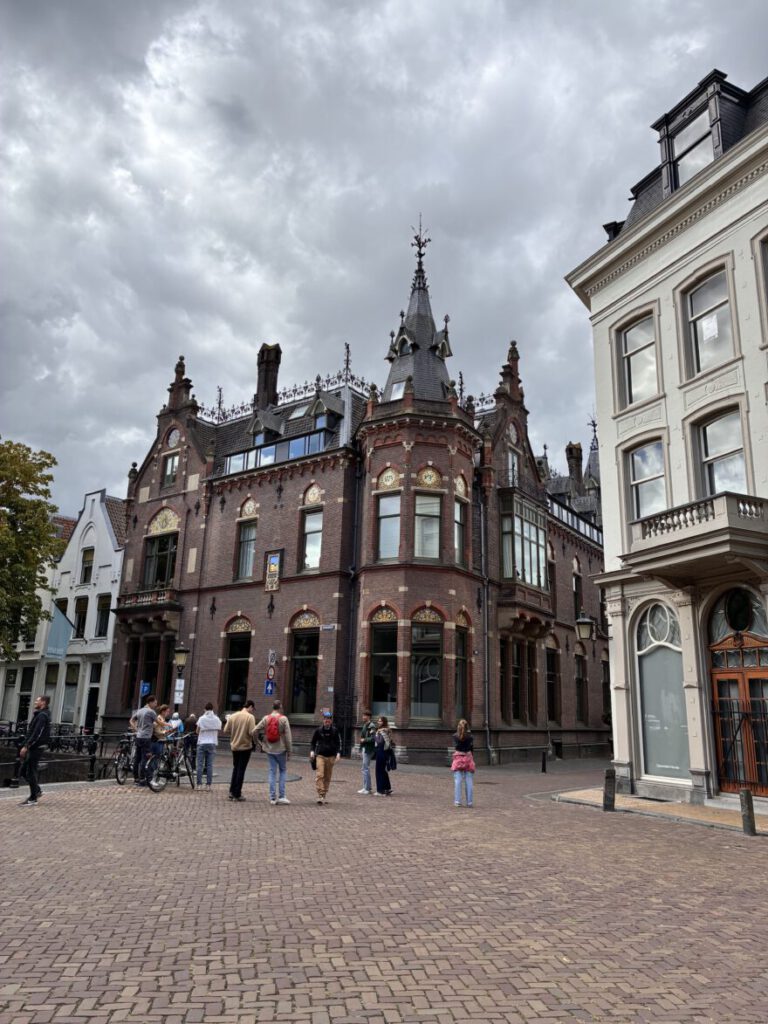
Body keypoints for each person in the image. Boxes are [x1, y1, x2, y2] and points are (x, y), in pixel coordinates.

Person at [255, 700, 292, 805]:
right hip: (281, 749)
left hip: (269, 749)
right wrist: (289, 751)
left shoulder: (266, 718)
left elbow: (254, 730)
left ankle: (272, 798)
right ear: (280, 707)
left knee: (272, 772)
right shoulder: (284, 719)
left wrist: (258, 743)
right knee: (283, 771)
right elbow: (288, 737)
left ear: (272, 707)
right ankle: (282, 796)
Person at [18, 695, 51, 806]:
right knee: (23, 771)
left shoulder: (42, 716)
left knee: (30, 771)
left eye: (37, 701)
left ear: (43, 702)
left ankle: (33, 798)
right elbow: (32, 732)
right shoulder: (40, 715)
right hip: (34, 746)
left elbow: (37, 733)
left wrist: (26, 746)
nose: (35, 702)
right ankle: (37, 790)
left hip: (36, 747)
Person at [222, 699, 257, 801]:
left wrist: (234, 733)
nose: (252, 711)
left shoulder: (233, 716)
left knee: (235, 768)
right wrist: (255, 741)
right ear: (250, 707)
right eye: (252, 709)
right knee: (241, 770)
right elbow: (251, 732)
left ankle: (231, 791)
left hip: (235, 746)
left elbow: (225, 730)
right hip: (245, 747)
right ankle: (237, 793)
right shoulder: (250, 717)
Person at [309, 711, 341, 805]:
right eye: (326, 719)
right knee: (320, 775)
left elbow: (338, 743)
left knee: (327, 776)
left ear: (331, 720)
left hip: (331, 756)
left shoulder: (335, 731)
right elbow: (313, 742)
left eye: (329, 719)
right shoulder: (318, 730)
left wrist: (338, 753)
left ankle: (324, 794)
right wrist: (312, 751)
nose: (327, 720)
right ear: (323, 720)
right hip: (320, 755)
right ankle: (320, 794)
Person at [129, 695, 157, 786]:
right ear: (151, 702)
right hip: (146, 738)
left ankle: (136, 779)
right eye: (155, 703)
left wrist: (136, 729)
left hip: (138, 736)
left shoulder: (140, 710)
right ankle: (142, 779)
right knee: (145, 758)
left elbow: (131, 720)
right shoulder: (151, 712)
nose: (156, 705)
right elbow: (158, 722)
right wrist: (167, 725)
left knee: (137, 758)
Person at [195, 703, 222, 789]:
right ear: (212, 709)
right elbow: (219, 728)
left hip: (202, 742)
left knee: (200, 765)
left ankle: (199, 785)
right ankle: (208, 785)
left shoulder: (202, 718)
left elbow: (197, 731)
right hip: (212, 743)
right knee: (210, 765)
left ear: (205, 709)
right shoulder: (217, 719)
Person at [451, 719, 475, 808]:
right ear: (467, 726)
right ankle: (469, 802)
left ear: (458, 726)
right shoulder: (471, 737)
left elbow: (456, 747)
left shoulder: (454, 736)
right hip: (468, 758)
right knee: (469, 781)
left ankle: (457, 801)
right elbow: (471, 749)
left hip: (458, 759)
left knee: (458, 781)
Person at [373, 715, 393, 797]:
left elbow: (380, 742)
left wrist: (374, 736)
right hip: (385, 752)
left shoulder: (382, 731)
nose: (379, 722)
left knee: (379, 771)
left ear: (384, 722)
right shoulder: (387, 730)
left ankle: (380, 790)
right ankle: (387, 788)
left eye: (380, 721)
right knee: (384, 771)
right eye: (378, 720)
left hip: (381, 752)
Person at [358, 708, 375, 795]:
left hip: (368, 749)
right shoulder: (365, 725)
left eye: (364, 716)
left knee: (365, 768)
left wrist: (364, 740)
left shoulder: (371, 726)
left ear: (368, 717)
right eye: (363, 715)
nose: (363, 717)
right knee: (364, 768)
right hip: (365, 748)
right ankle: (366, 787)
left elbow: (373, 738)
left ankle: (367, 788)